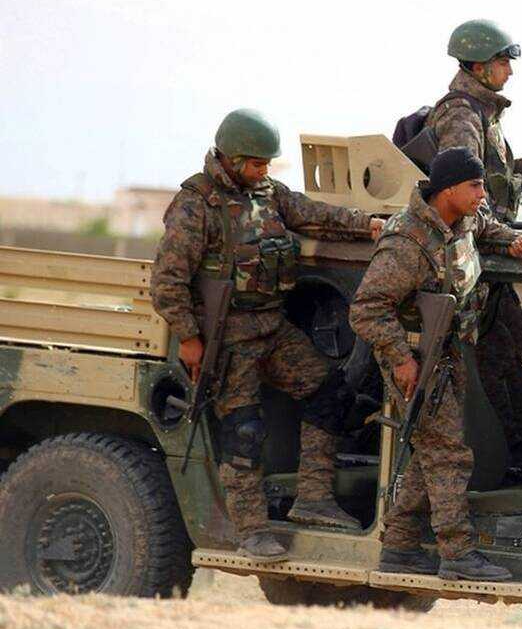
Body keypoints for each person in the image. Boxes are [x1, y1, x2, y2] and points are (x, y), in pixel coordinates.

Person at [152, 108, 383, 562]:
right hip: (227, 339)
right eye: (257, 164)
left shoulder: (268, 193)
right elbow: (166, 281)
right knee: (244, 431)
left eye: (267, 164)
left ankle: (313, 498)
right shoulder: (196, 205)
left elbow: (312, 214)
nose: (264, 171)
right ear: (232, 158)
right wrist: (189, 338)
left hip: (272, 328)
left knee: (330, 390)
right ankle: (252, 531)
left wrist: (367, 223)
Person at [349, 148, 522, 581]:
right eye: (475, 186)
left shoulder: (465, 220)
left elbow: (488, 229)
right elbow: (367, 308)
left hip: (450, 352)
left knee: (430, 453)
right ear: (448, 189)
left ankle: (398, 546)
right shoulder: (407, 241)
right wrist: (401, 360)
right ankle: (457, 553)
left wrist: (512, 242)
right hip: (417, 359)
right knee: (449, 454)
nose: (482, 194)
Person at [427, 18, 522, 472]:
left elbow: (489, 183)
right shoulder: (462, 115)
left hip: (490, 249)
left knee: (513, 345)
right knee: (496, 354)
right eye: (503, 62)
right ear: (480, 66)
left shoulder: (483, 114)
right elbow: (461, 192)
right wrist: (503, 236)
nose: (510, 71)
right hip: (475, 255)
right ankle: (508, 453)